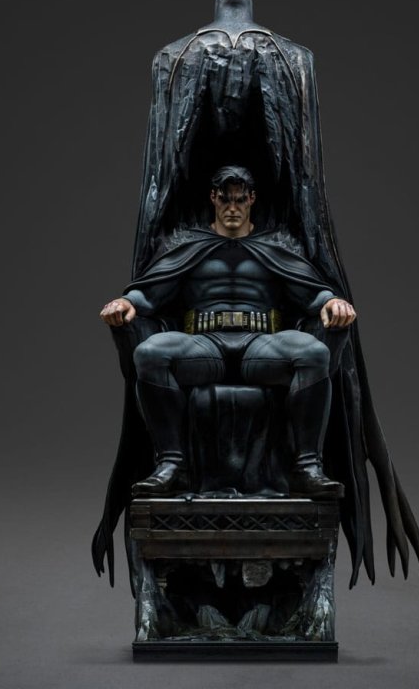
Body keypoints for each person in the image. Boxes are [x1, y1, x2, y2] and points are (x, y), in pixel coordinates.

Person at [100, 165, 356, 498]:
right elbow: (152, 293)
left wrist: (332, 301)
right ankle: (171, 465)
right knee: (150, 353)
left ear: (252, 199)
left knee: (314, 353)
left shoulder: (276, 245)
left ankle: (308, 468)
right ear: (213, 198)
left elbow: (308, 293)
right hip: (204, 345)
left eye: (240, 199)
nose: (232, 208)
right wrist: (126, 301)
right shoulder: (188, 244)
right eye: (225, 199)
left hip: (261, 345)